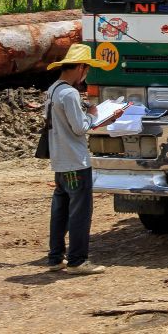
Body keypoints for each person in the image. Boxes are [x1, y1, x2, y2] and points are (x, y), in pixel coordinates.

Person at [43, 43, 120, 274]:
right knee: (80, 212)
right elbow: (79, 128)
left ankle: (55, 257)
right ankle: (77, 260)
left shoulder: (53, 90)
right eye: (86, 70)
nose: (85, 75)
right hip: (76, 161)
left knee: (60, 211)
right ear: (80, 68)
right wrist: (93, 116)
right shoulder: (70, 93)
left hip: (60, 161)